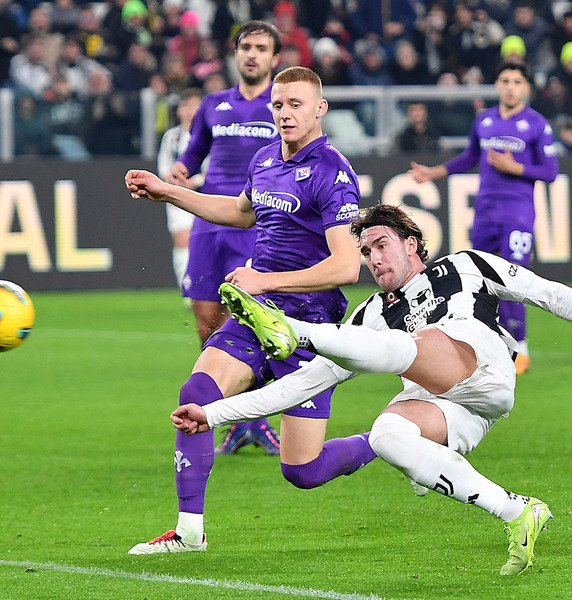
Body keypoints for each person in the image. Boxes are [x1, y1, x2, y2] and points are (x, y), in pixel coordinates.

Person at [173, 204, 572, 575]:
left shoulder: (465, 266)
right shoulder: (371, 314)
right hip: (457, 412)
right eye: (365, 252)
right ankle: (517, 512)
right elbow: (302, 385)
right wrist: (213, 415)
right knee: (386, 434)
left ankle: (295, 329)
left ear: (412, 243)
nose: (374, 259)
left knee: (408, 346)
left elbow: (548, 293)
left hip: (483, 369)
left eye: (381, 245)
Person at [124, 66, 367, 554]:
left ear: (320, 109)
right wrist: (168, 191)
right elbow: (240, 212)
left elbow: (346, 267)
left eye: (296, 104)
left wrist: (264, 278)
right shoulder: (264, 160)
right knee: (198, 392)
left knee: (304, 470)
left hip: (310, 327)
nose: (284, 113)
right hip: (259, 313)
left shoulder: (333, 172)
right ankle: (189, 532)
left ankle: (384, 440)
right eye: (278, 105)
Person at [168, 20, 283, 454]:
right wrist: (181, 170)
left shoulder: (280, 106)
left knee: (252, 322)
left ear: (275, 59)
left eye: (261, 48)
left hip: (254, 223)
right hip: (208, 225)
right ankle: (233, 418)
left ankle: (257, 417)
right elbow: (193, 154)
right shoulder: (213, 105)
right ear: (236, 54)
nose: (252, 54)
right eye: (246, 47)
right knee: (206, 323)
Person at [409, 60, 558, 375]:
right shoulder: (485, 120)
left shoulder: (536, 124)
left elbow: (550, 172)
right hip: (486, 212)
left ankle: (521, 347)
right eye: (505, 80)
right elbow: (470, 157)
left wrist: (515, 168)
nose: (510, 87)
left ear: (526, 87)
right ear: (498, 85)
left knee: (514, 277)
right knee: (481, 279)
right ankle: (485, 344)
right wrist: (432, 172)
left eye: (517, 81)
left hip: (517, 212)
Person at [156, 88, 203, 289]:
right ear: (179, 110)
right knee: (182, 240)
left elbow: (214, 167)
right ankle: (187, 286)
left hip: (204, 195)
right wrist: (172, 180)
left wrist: (195, 181)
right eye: (186, 106)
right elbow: (163, 166)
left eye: (194, 106)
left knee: (201, 243)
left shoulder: (208, 135)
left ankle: (203, 285)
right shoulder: (171, 137)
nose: (190, 111)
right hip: (176, 196)